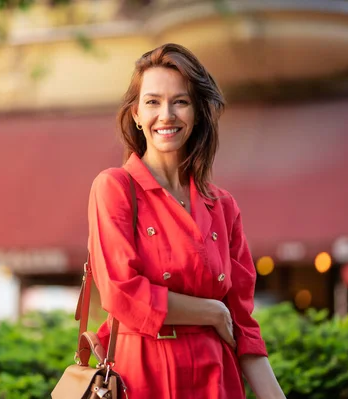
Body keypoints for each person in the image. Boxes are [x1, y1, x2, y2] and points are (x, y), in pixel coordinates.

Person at [87, 43, 285, 399]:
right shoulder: (115, 187)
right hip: (143, 379)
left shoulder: (223, 206)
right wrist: (211, 311)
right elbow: (121, 293)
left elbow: (243, 327)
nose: (167, 115)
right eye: (152, 102)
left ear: (196, 113)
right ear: (135, 113)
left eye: (180, 101)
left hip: (217, 381)